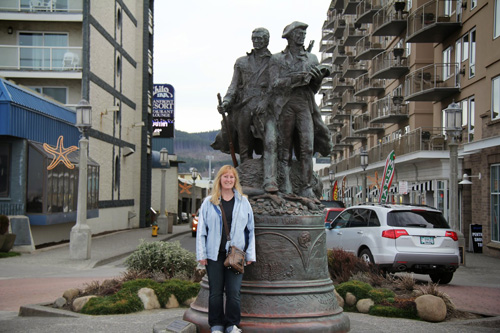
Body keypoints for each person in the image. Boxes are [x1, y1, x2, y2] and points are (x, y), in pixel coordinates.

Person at [269, 21, 332, 198]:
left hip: (305, 104)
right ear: (289, 36)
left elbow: (313, 90)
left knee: (307, 147)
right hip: (285, 106)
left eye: (304, 33)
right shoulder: (277, 59)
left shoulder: (312, 59)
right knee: (284, 148)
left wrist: (317, 79)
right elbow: (274, 84)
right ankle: (285, 185)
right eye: (298, 33)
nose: (302, 36)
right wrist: (297, 78)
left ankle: (306, 186)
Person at [196, 165, 256, 333]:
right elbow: (201, 230)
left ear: (235, 180)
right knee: (215, 292)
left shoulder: (243, 202)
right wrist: (202, 254)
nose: (228, 180)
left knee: (234, 292)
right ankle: (216, 325)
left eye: (231, 177)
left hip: (235, 254)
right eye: (225, 177)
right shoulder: (209, 202)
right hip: (214, 254)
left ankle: (231, 325)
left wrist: (250, 254)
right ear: (220, 180)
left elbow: (250, 230)